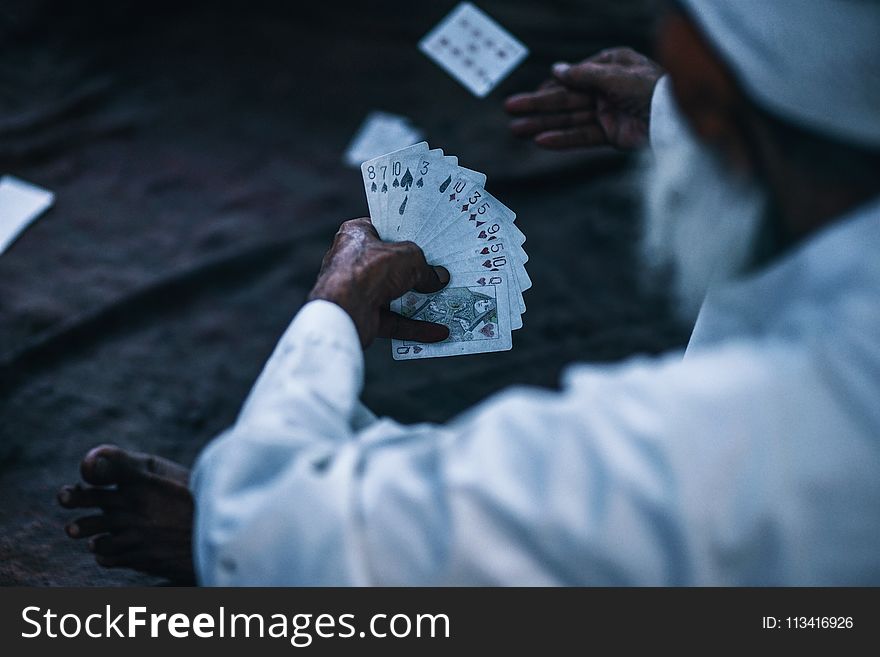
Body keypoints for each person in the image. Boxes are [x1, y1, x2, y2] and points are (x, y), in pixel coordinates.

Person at [59, 0, 880, 585]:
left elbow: (265, 521)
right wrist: (680, 114)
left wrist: (334, 312)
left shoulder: (734, 445)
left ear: (703, 78)